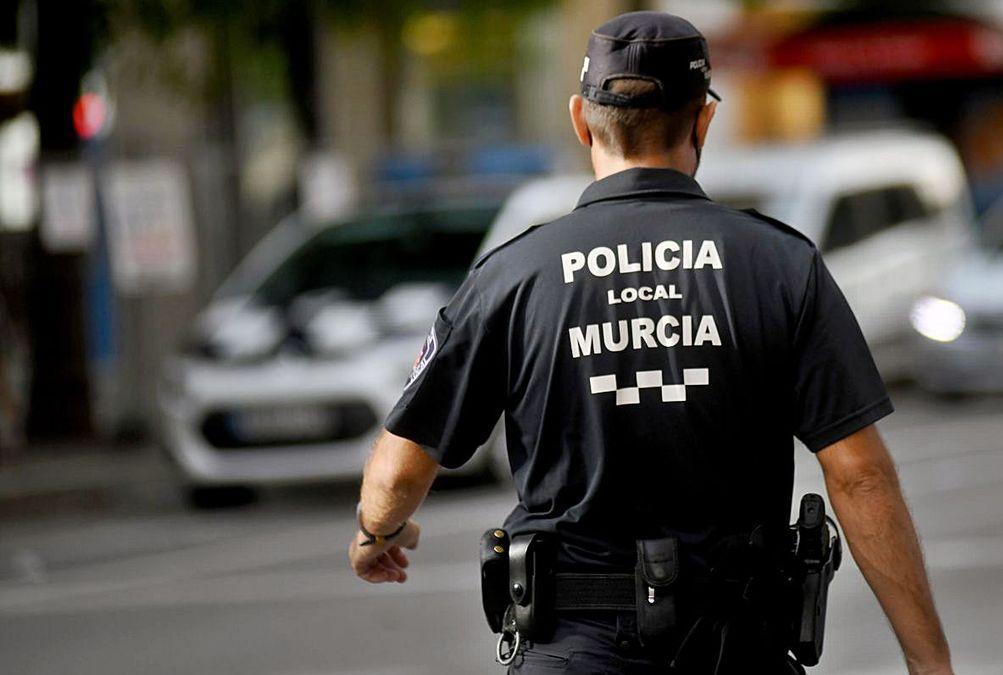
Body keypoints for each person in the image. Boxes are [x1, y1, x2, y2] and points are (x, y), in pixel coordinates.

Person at [349, 11, 952, 675]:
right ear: (704, 119)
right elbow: (859, 471)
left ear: (582, 120)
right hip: (737, 650)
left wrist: (379, 532)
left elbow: (400, 470)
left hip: (572, 650)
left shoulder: (512, 276)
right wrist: (929, 662)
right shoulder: (779, 264)